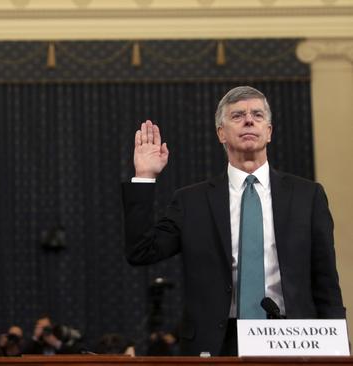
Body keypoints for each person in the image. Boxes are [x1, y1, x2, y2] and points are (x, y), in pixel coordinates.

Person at [122, 86, 345, 356]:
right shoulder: (191, 201)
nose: (249, 120)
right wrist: (145, 176)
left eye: (258, 115)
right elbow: (141, 251)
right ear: (221, 134)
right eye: (238, 115)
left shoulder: (307, 196)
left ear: (269, 132)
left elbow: (326, 284)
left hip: (294, 341)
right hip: (217, 344)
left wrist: (340, 349)